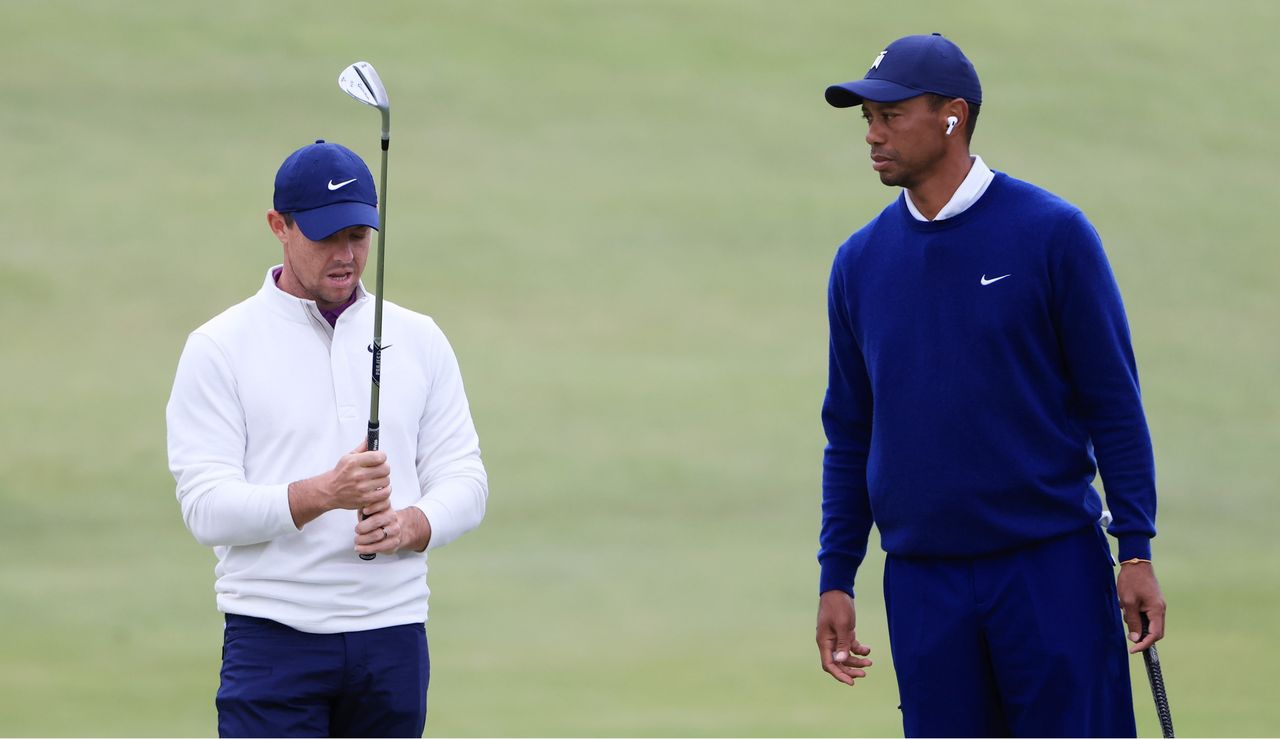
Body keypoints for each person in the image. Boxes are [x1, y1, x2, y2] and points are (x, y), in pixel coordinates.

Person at [814, 34, 1166, 737]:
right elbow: (850, 433)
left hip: (1049, 570)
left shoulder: (1052, 235)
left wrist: (1135, 548)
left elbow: (1113, 402)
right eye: (867, 120)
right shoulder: (859, 263)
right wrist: (837, 572)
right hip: (922, 583)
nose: (873, 135)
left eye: (890, 115)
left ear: (952, 115)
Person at [166, 139, 488, 737]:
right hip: (273, 642)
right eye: (325, 237)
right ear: (278, 227)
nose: (345, 256)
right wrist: (323, 492)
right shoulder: (220, 347)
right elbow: (206, 509)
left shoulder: (419, 338)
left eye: (358, 237)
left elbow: (466, 479)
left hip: (392, 638)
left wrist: (414, 524)